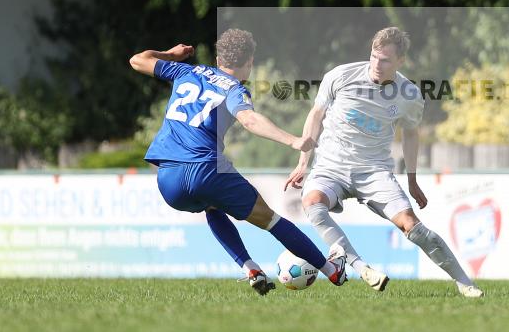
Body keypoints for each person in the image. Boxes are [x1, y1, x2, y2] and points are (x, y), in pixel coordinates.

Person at [129, 29, 348, 295]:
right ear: (250, 62)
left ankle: (250, 268)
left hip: (168, 179)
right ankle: (332, 270)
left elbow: (137, 60)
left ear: (218, 58)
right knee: (271, 220)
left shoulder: (187, 71)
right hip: (205, 169)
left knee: (212, 206)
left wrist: (170, 55)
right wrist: (293, 141)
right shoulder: (234, 88)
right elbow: (249, 120)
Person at [284, 27, 483, 298]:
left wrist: (412, 179)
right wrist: (303, 162)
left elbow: (411, 134)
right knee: (312, 203)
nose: (377, 64)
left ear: (400, 61)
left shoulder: (409, 94)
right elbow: (316, 115)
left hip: (374, 171)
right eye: (374, 56)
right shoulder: (341, 76)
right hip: (331, 167)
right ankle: (361, 268)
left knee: (413, 227)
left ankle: (466, 283)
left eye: (385, 60)